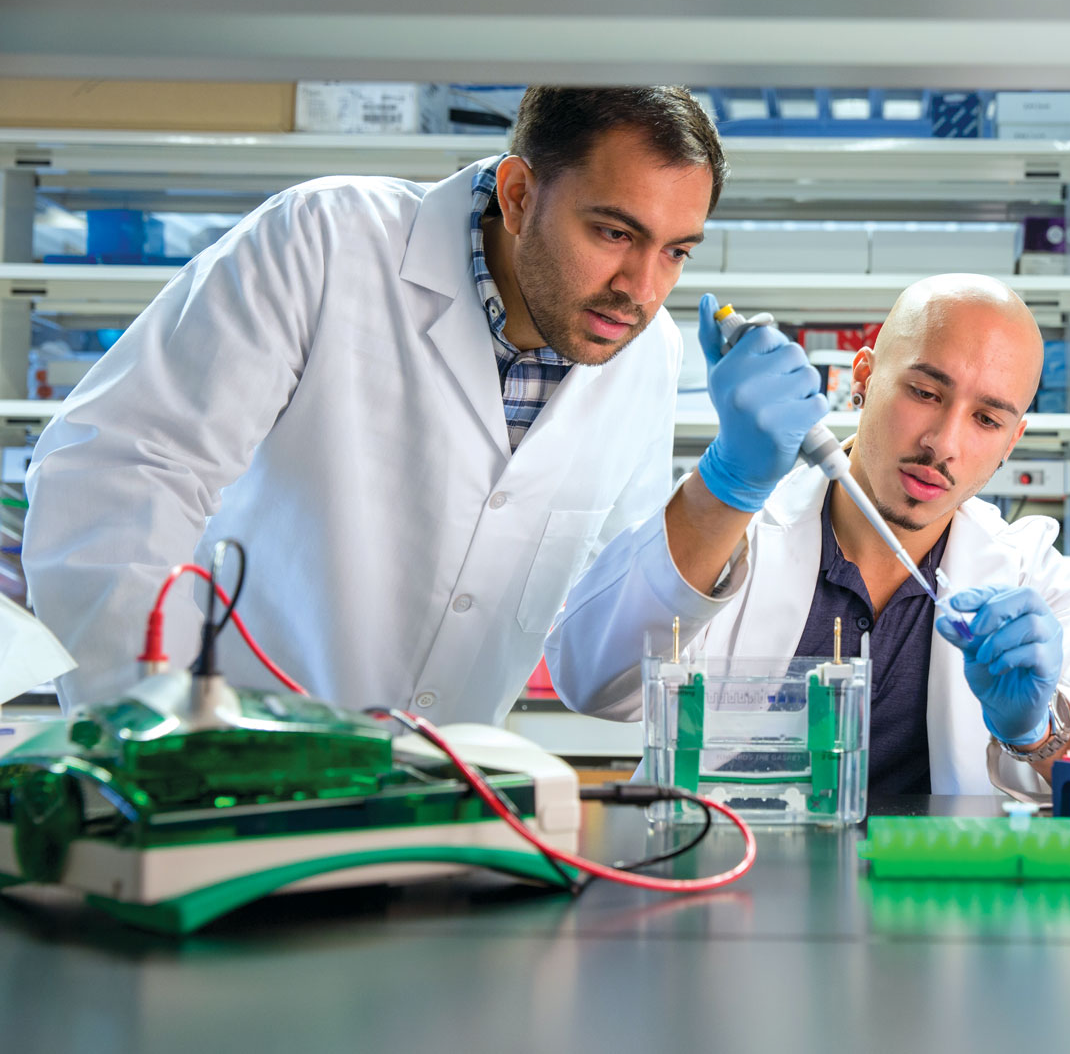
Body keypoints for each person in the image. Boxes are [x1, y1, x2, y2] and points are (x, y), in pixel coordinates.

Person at [24, 86, 727, 721]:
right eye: (614, 232)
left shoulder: (645, 352)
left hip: (439, 805)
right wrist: (155, 731)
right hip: (232, 784)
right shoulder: (326, 241)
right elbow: (117, 475)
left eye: (675, 252)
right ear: (517, 196)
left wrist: (729, 487)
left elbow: (596, 661)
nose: (641, 287)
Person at [545, 274, 1070, 797]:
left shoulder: (1024, 570)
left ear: (1012, 440)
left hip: (925, 911)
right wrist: (723, 484)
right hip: (715, 887)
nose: (944, 443)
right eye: (924, 392)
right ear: (862, 377)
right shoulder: (737, 528)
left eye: (986, 419)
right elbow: (590, 680)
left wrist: (1039, 729)